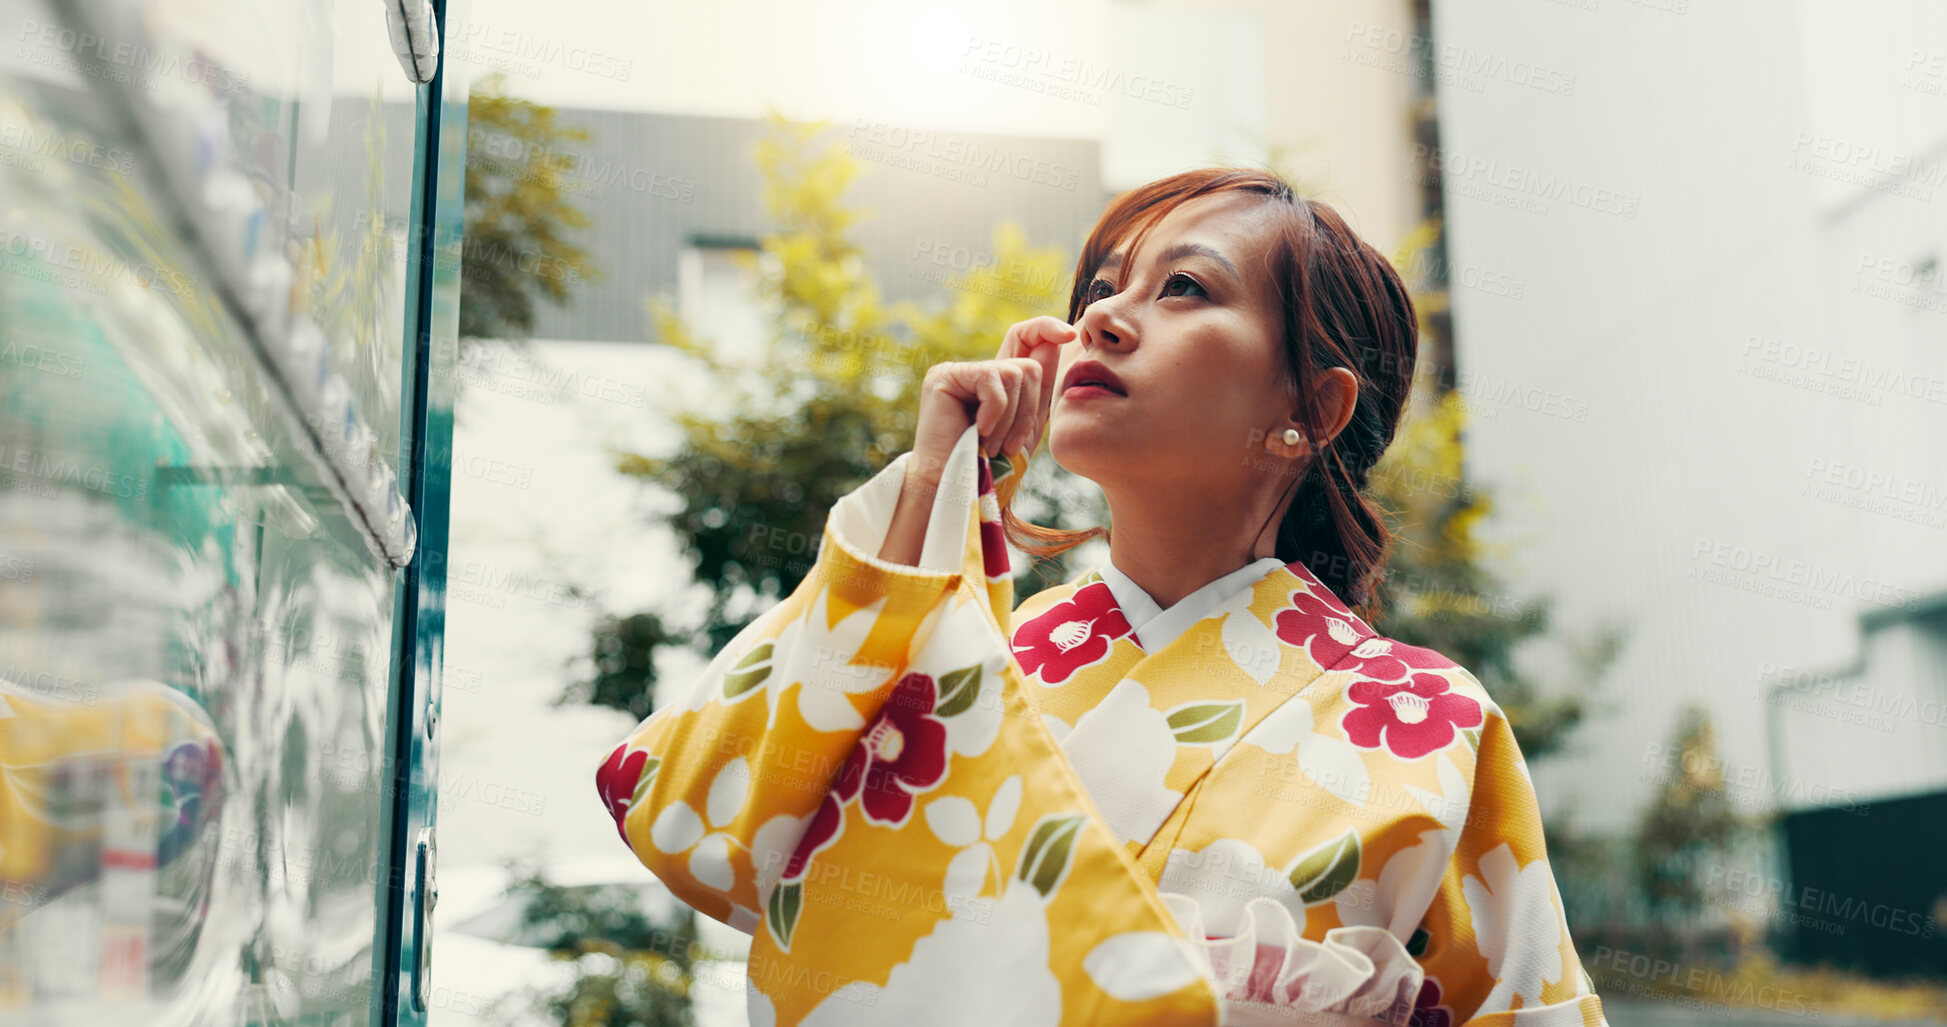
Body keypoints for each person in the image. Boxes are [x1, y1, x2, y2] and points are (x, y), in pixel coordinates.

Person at [595, 168, 1609, 1027]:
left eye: (1185, 289)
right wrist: (932, 480)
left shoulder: (1432, 724)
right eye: (1102, 289)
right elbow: (699, 827)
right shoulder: (952, 646)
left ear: (1312, 406)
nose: (1103, 321)